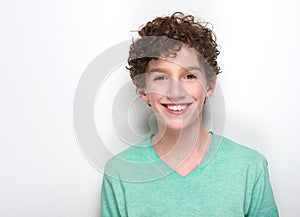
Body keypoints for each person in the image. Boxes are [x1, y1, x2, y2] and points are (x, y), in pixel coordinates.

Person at [101, 12, 279, 217]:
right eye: (161, 77)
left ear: (209, 86)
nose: (176, 92)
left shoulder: (250, 167)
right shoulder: (120, 173)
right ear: (143, 91)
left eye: (189, 76)